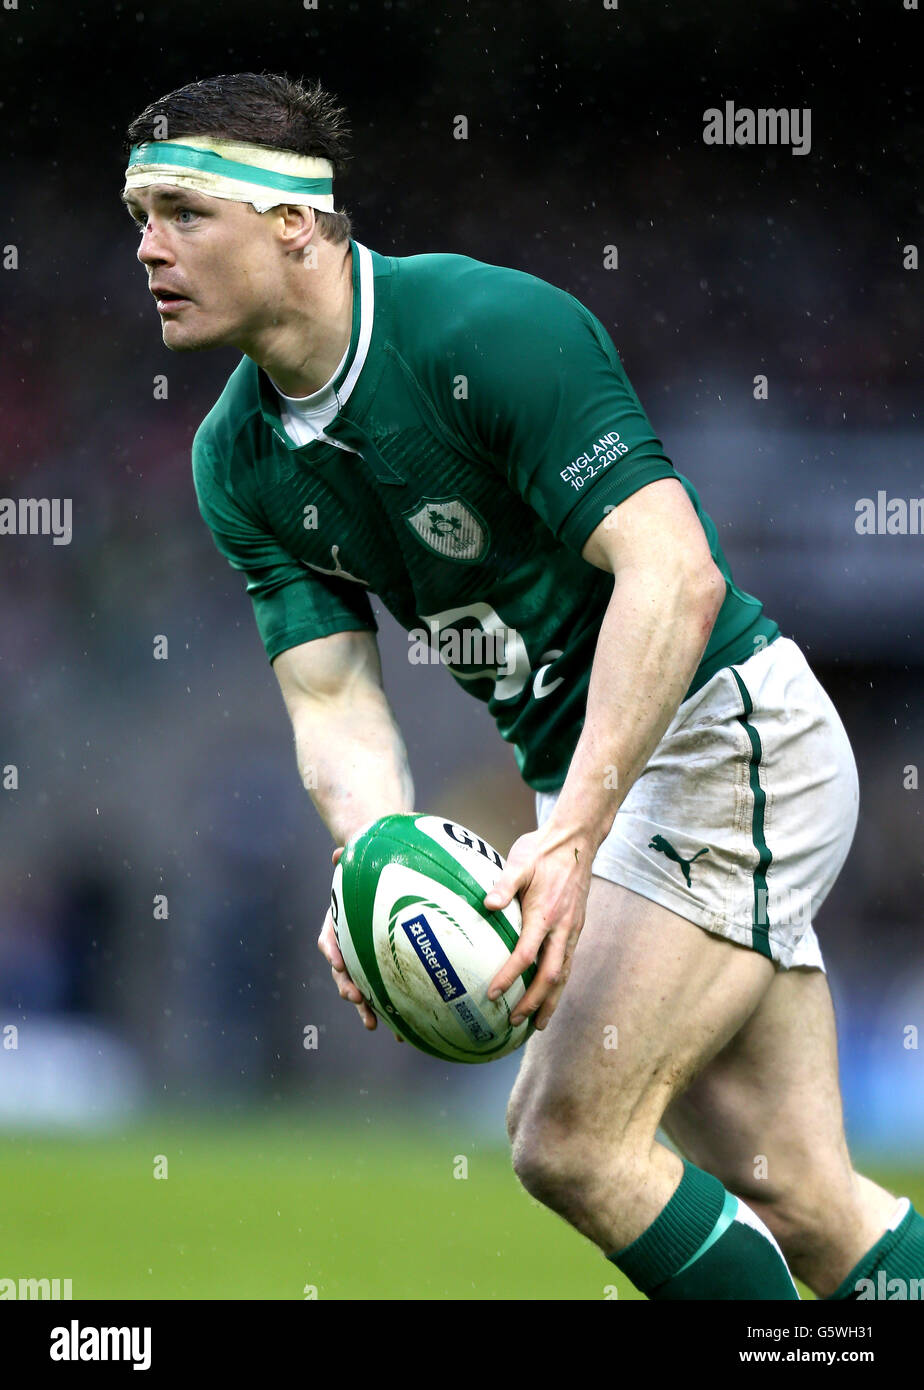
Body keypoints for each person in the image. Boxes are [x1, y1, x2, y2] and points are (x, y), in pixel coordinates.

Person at [121, 71, 924, 1300]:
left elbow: (677, 574)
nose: (148, 247)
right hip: (603, 802)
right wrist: (370, 853)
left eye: (184, 211)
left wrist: (577, 832)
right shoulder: (234, 460)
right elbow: (333, 700)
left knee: (569, 1142)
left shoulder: (483, 328)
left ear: (293, 222)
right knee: (809, 1205)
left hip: (722, 741)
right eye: (140, 215)